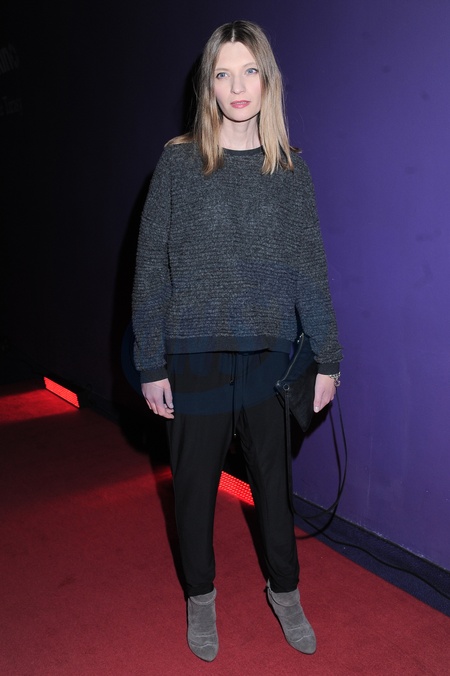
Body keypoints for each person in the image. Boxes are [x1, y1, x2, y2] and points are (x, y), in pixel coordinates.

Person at [132, 20, 342, 662]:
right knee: (194, 489)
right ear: (209, 85)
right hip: (192, 356)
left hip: (269, 359)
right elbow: (150, 268)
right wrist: (150, 362)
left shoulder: (291, 170)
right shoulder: (178, 162)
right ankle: (201, 596)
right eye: (223, 73)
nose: (237, 85)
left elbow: (309, 269)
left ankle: (286, 591)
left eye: (249, 70)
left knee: (273, 488)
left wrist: (329, 358)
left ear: (268, 80)